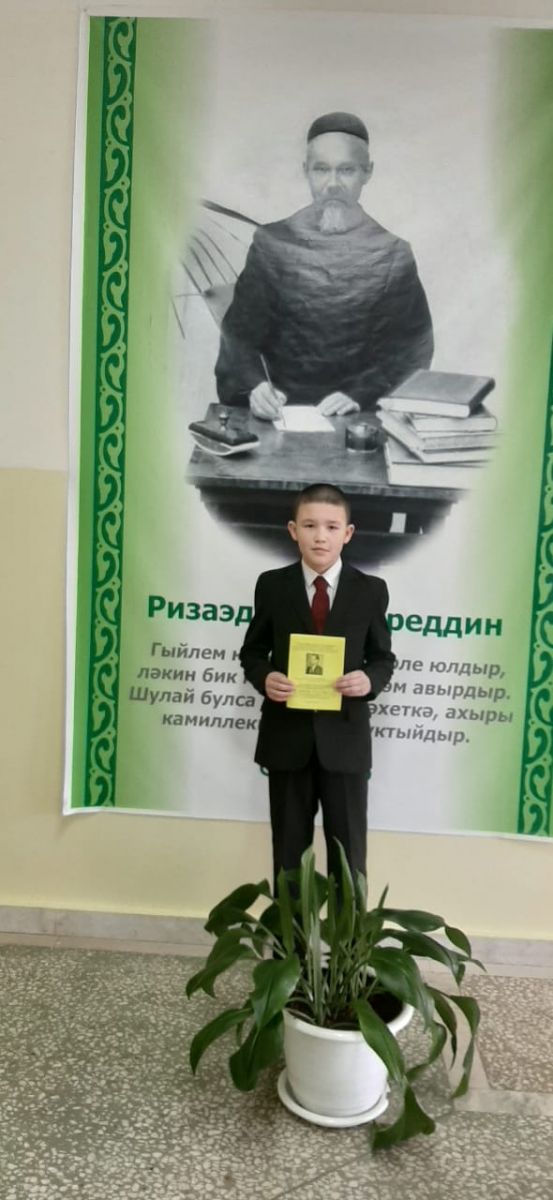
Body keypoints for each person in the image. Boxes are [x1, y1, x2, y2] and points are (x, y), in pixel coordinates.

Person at [215, 111, 433, 418]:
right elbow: (239, 340)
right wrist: (256, 387)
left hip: (358, 419)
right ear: (306, 171)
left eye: (346, 170)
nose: (332, 184)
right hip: (281, 417)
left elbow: (411, 354)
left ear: (367, 172)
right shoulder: (271, 243)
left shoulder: (394, 253)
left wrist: (359, 395)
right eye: (321, 169)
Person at [240, 483, 395, 886]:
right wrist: (265, 677)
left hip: (345, 741)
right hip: (287, 738)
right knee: (288, 854)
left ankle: (348, 932)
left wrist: (369, 680)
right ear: (293, 530)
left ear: (348, 533)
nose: (320, 536)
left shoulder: (370, 590)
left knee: (349, 856)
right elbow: (252, 652)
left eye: (331, 526)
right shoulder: (272, 586)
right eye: (309, 525)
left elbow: (383, 658)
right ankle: (289, 931)